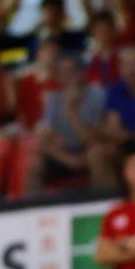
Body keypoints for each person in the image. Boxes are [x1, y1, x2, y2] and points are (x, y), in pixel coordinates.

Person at [28, 53, 116, 192]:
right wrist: (70, 160)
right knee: (35, 164)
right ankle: (34, 205)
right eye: (62, 73)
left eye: (71, 71)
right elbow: (44, 141)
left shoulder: (98, 95)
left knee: (96, 154)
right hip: (68, 154)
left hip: (93, 149)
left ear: (82, 72)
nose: (67, 76)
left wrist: (72, 112)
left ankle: (101, 201)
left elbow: (93, 140)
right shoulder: (53, 100)